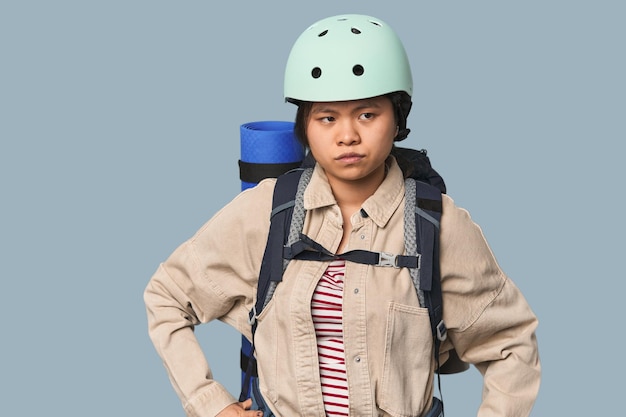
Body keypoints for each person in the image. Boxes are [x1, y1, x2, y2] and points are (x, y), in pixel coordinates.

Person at [144, 14, 541, 417]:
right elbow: (167, 296)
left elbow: (511, 344)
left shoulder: (437, 226)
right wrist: (210, 404)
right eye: (327, 117)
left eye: (367, 114)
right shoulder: (264, 213)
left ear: (398, 118)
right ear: (305, 126)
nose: (347, 135)